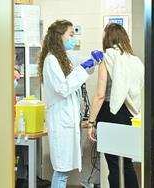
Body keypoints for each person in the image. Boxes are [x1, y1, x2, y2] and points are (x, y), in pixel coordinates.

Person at [38, 19, 103, 188]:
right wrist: (83, 69)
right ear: (59, 37)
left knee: (63, 172)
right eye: (71, 34)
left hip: (67, 121)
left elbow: (79, 64)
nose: (74, 38)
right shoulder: (51, 60)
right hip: (61, 121)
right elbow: (63, 88)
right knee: (61, 172)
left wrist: (92, 61)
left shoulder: (63, 58)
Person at [87, 23, 144, 188]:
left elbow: (100, 95)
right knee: (126, 163)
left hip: (110, 113)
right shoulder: (134, 60)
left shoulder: (107, 58)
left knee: (114, 165)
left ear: (108, 38)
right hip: (128, 114)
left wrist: (91, 122)